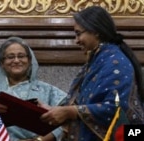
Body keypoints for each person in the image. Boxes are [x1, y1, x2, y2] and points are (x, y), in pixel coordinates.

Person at [40, 6, 144, 141]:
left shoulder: (116, 63)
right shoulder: (97, 61)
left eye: (78, 33)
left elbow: (116, 110)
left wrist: (71, 112)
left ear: (95, 31)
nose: (76, 40)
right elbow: (80, 103)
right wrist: (54, 111)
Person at [0, 36, 67, 141]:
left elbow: (68, 121)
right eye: (10, 57)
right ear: (1, 63)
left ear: (29, 61)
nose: (16, 60)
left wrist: (39, 140)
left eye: (21, 56)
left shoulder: (47, 91)